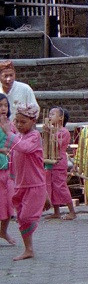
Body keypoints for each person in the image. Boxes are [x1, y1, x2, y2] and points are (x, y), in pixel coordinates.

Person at [2, 103, 45, 260]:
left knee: (27, 217)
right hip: (20, 184)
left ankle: (38, 213)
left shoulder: (34, 137)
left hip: (34, 185)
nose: (19, 125)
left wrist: (9, 132)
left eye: (23, 122)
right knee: (21, 217)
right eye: (17, 121)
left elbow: (25, 148)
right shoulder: (19, 136)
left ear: (33, 121)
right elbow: (12, 152)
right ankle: (29, 249)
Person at [43, 107, 76, 220]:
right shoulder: (52, 130)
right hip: (50, 161)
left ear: (61, 118)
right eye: (50, 114)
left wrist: (49, 134)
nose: (50, 116)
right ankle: (56, 211)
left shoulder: (64, 132)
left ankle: (72, 211)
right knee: (52, 186)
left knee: (60, 186)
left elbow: (56, 144)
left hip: (59, 161)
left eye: (53, 114)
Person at [0, 94, 15, 245]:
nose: (3, 108)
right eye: (0, 105)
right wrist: (1, 150)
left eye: (5, 105)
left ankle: (3, 231)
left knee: (8, 203)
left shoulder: (11, 125)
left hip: (8, 170)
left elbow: (17, 141)